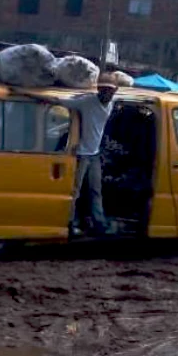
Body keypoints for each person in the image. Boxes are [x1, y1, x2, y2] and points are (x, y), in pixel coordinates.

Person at [32, 71, 119, 236]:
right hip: (81, 154)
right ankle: (70, 223)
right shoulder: (87, 102)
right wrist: (29, 95)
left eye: (109, 90)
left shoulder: (113, 102)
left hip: (94, 154)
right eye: (103, 89)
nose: (106, 93)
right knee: (74, 192)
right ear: (98, 89)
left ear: (114, 91)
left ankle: (99, 223)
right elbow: (58, 101)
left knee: (95, 190)